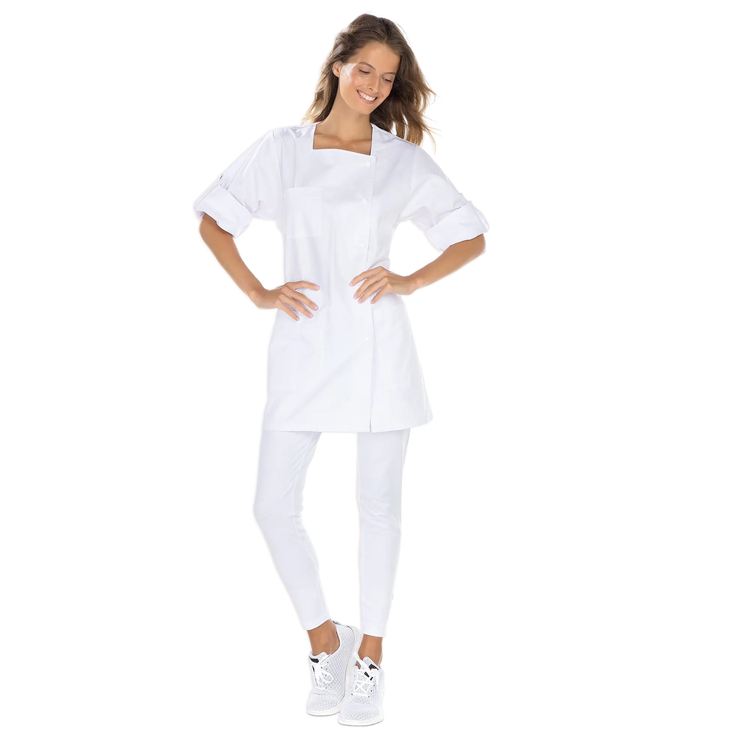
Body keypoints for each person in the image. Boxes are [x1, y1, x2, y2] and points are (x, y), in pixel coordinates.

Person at [188, 9, 492, 730]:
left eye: (387, 78)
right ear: (336, 65)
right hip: (301, 345)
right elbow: (211, 217)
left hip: (379, 348)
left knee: (377, 509)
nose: (374, 86)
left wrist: (409, 281)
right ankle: (325, 643)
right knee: (270, 506)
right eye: (364, 70)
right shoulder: (281, 148)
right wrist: (256, 291)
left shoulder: (401, 161)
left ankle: (371, 662)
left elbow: (473, 235)